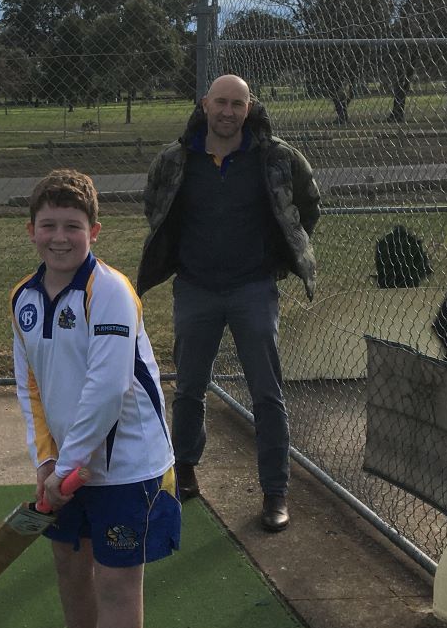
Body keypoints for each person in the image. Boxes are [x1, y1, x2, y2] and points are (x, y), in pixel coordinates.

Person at [9, 169, 180, 628]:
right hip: (68, 468)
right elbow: (29, 388)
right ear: (30, 231)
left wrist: (72, 469)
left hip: (127, 464)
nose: (59, 238)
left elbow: (107, 388)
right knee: (67, 563)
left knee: (115, 582)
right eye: (48, 226)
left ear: (94, 232)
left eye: (71, 228)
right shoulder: (23, 297)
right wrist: (45, 464)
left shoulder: (110, 292)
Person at [135, 73, 320, 533]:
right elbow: (154, 205)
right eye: (220, 102)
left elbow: (307, 204)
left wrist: (281, 257)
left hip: (253, 290)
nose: (228, 112)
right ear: (204, 104)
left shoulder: (277, 158)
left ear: (249, 106)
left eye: (237, 104)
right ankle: (185, 471)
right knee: (189, 387)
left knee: (267, 392)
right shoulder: (176, 160)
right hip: (195, 288)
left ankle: (275, 492)